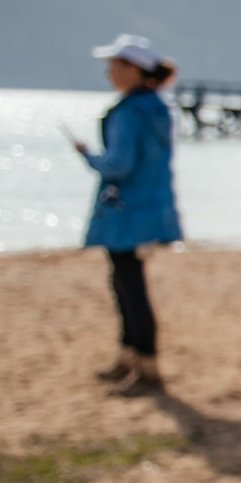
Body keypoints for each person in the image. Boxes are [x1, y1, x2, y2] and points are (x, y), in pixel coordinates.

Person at [69, 35, 181, 398]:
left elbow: (118, 165)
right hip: (152, 211)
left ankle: (144, 367)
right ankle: (130, 358)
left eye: (114, 65)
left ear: (134, 69)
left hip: (126, 214)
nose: (108, 73)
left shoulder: (131, 111)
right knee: (129, 285)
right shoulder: (158, 108)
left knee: (128, 288)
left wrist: (88, 156)